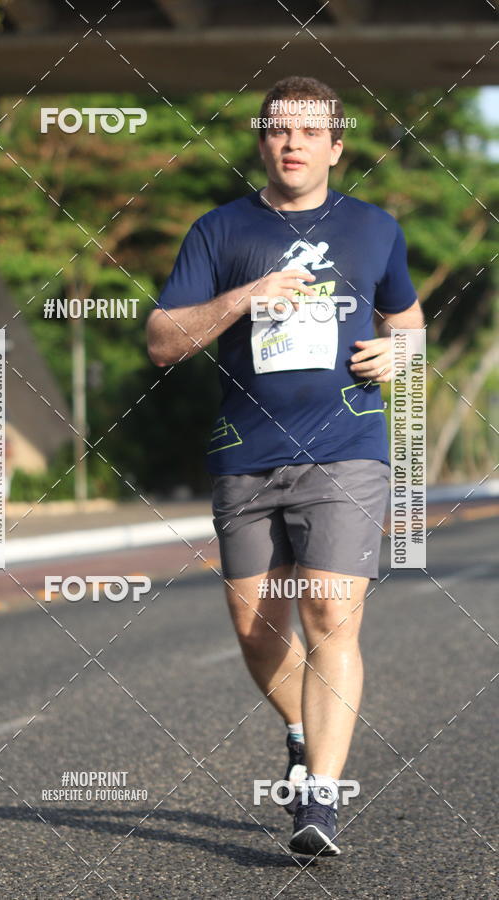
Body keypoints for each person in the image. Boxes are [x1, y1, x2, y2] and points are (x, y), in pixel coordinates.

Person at [146, 75, 423, 857]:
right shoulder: (219, 231)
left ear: (336, 145)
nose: (292, 143)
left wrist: (400, 351)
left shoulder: (376, 230)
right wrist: (247, 296)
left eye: (310, 132)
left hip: (349, 446)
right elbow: (164, 343)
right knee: (257, 629)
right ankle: (301, 732)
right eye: (279, 130)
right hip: (246, 453)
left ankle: (322, 800)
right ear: (263, 142)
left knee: (330, 613)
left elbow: (407, 319)